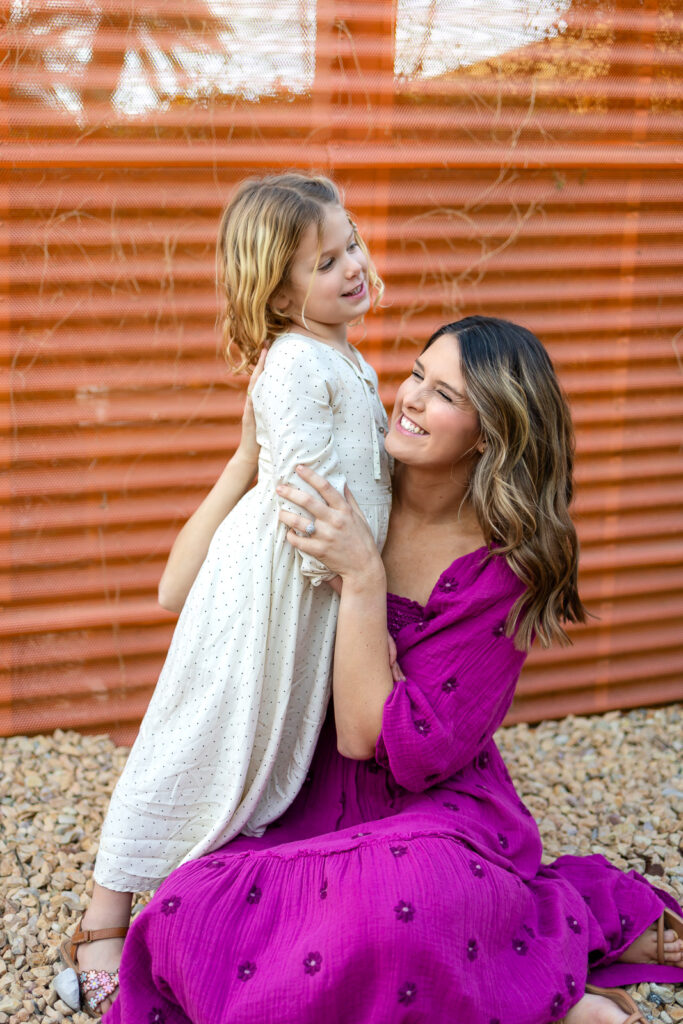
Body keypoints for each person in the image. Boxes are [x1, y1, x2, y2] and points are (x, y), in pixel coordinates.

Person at [98, 315, 683, 1024]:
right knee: (185, 913)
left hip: (430, 805)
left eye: (443, 394)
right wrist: (246, 458)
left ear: (491, 433)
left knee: (397, 912)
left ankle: (547, 984)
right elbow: (176, 592)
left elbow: (368, 739)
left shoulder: (497, 571)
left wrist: (361, 577)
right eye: (415, 373)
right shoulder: (349, 475)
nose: (407, 398)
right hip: (300, 789)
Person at [54, 173, 394, 1016]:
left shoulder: (346, 355)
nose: (352, 265)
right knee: (198, 729)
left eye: (351, 242)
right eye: (326, 261)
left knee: (259, 747)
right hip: (271, 589)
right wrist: (356, 597)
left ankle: (208, 877)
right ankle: (104, 911)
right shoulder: (291, 364)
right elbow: (306, 489)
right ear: (277, 291)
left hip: (305, 592)